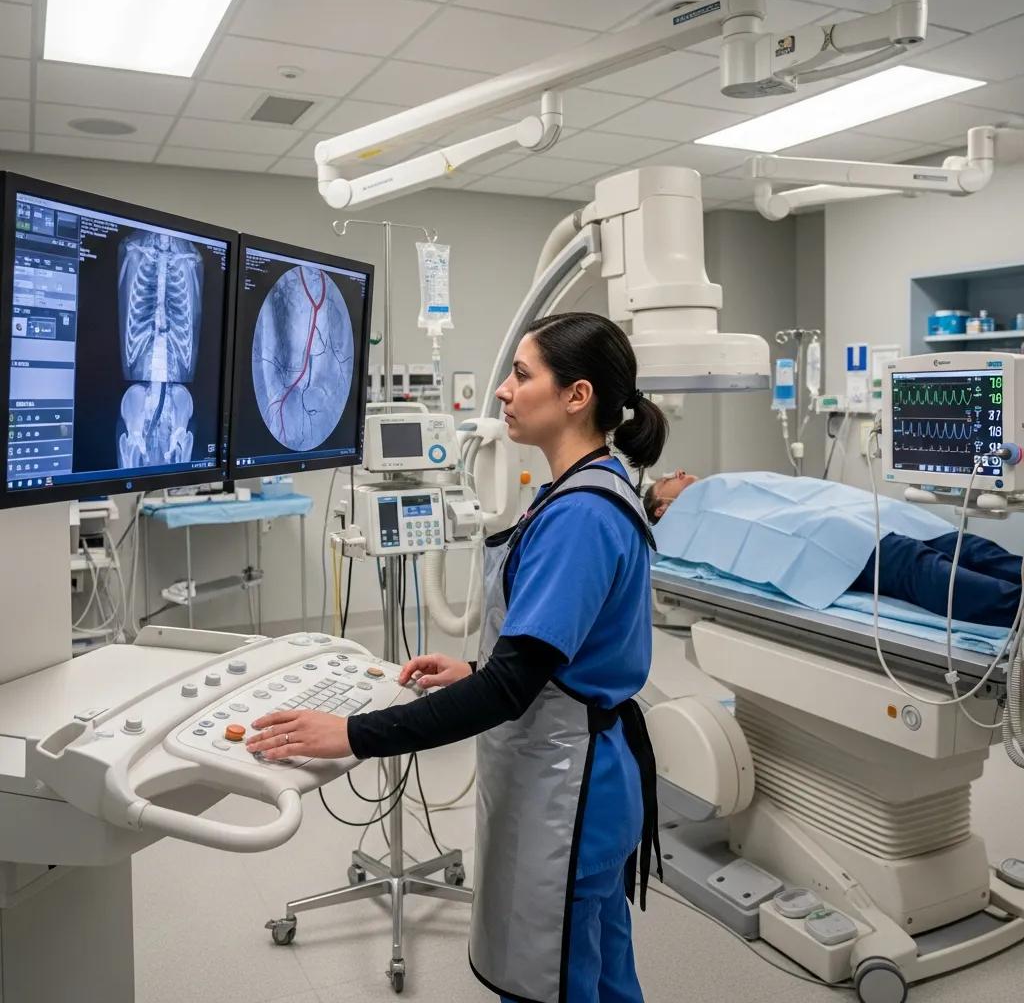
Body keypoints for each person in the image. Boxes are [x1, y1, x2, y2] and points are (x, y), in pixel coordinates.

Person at [247, 312, 669, 1003]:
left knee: (551, 983)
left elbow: (510, 690)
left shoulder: (581, 515)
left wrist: (352, 736)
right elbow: (555, 656)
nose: (503, 390)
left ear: (577, 395)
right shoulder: (588, 487)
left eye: (522, 374)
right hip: (581, 769)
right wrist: (474, 668)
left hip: (571, 788)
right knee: (596, 973)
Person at [645, 468, 1024, 628]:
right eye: (668, 480)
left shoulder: (725, 483)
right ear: (663, 508)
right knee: (919, 566)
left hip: (856, 510)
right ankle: (1015, 610)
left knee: (967, 547)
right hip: (830, 536)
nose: (679, 474)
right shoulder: (683, 524)